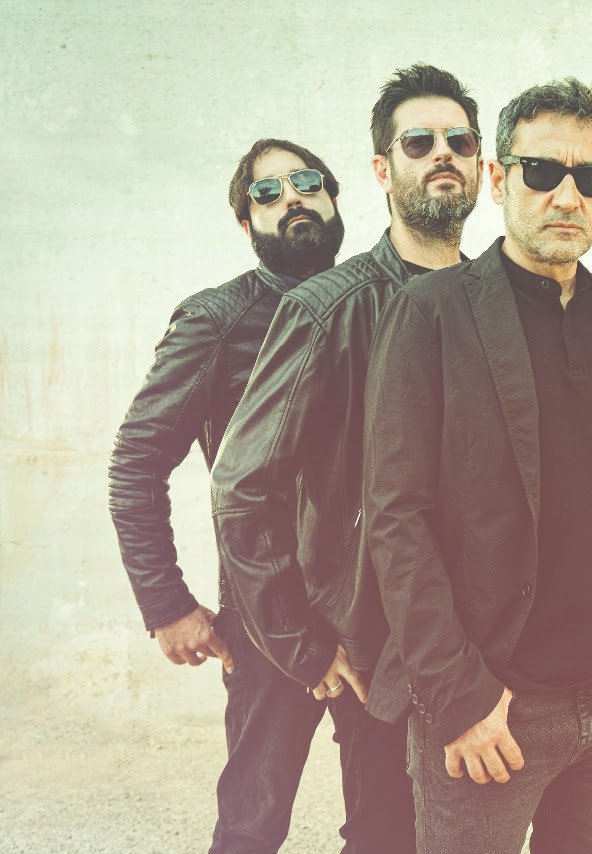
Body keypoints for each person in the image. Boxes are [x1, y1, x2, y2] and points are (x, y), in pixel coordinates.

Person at [362, 77, 592, 854]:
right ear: (498, 178)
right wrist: (458, 695)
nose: (566, 197)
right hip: (494, 710)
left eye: (591, 178)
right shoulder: (431, 312)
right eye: (543, 172)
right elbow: (396, 517)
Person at [209, 64, 485, 851]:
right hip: (376, 651)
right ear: (382, 169)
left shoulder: (498, 301)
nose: (442, 153)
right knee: (386, 834)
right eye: (418, 142)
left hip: (481, 641)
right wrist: (302, 644)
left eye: (460, 141)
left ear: (482, 165)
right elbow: (240, 486)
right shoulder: (325, 310)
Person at [108, 138, 344, 851]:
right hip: (268, 613)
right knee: (252, 823)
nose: (291, 197)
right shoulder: (219, 320)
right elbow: (136, 462)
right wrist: (167, 605)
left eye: (307, 181)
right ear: (246, 224)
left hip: (376, 609)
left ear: (335, 199)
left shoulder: (376, 300)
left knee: (389, 821)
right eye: (266, 193)